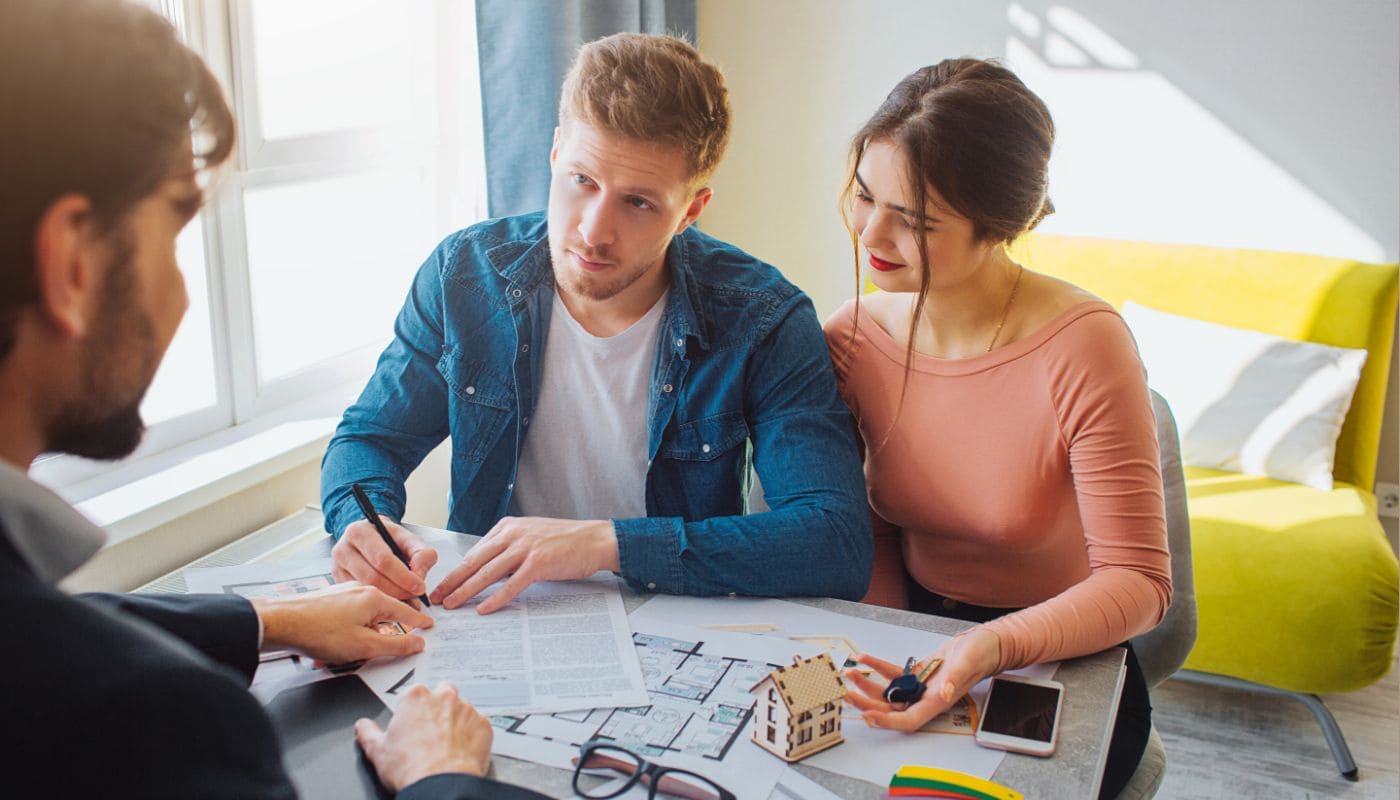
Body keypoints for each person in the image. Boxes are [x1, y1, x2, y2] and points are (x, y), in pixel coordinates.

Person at [0, 2, 547, 797]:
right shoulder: (159, 722)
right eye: (175, 232)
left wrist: (272, 620)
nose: (184, 295)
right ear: (72, 265)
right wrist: (440, 780)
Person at [322, 33, 871, 614]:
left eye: (638, 203)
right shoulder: (464, 275)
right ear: (556, 151)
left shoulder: (762, 316)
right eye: (582, 180)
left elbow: (834, 542)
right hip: (495, 615)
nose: (592, 231)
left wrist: (605, 544)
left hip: (678, 619)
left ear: (691, 209)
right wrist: (364, 522)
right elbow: (369, 439)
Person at [823, 59, 1172, 799]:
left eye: (915, 221)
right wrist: (897, 646)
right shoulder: (852, 339)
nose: (872, 233)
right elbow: (875, 526)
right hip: (917, 634)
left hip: (1063, 651)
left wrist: (990, 646)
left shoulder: (1084, 344)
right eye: (863, 195)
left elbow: (1139, 583)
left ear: (999, 226)